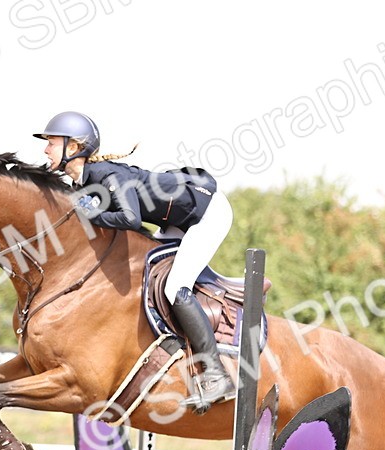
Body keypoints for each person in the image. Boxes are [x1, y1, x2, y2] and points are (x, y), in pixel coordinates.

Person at [34, 111, 237, 414]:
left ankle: (215, 375)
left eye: (51, 143)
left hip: (206, 214)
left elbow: (130, 218)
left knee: (174, 287)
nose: (45, 149)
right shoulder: (83, 183)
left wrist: (89, 213)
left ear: (73, 148)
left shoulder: (106, 175)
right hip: (175, 219)